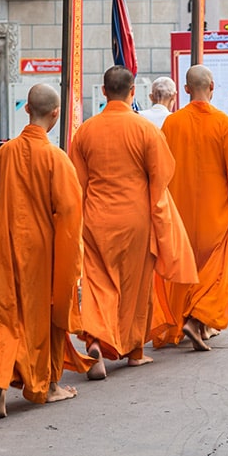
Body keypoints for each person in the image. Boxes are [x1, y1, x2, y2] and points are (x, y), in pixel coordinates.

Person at [0, 84, 86, 418]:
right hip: (42, 251)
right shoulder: (56, 158)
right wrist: (70, 261)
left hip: (5, 248)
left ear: (26, 110)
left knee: (7, 319)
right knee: (42, 320)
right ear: (56, 113)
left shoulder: (4, 153)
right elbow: (69, 214)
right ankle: (45, 386)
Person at [69, 66, 183, 378]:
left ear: (103, 91)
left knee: (97, 283)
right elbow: (162, 175)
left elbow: (76, 182)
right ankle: (134, 352)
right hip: (136, 218)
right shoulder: (145, 129)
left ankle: (95, 339)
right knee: (135, 288)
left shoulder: (85, 131)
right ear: (132, 92)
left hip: (95, 217)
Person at [158, 65, 228, 351]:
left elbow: (160, 168)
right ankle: (198, 320)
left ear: (185, 90)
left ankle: (189, 319)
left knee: (185, 267)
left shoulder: (171, 124)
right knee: (215, 271)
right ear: (212, 86)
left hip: (180, 211)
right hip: (216, 212)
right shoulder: (224, 124)